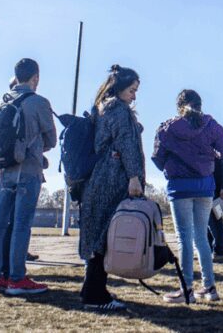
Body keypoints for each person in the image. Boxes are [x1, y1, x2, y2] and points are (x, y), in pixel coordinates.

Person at [152, 89, 223, 303]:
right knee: (201, 238)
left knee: (184, 238)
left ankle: (186, 288)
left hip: (180, 186)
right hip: (204, 186)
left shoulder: (168, 128)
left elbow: (157, 157)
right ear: (200, 104)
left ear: (179, 106)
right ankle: (209, 287)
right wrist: (213, 156)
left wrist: (171, 166)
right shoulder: (210, 126)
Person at [0, 58, 56, 295]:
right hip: (28, 170)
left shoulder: (2, 102)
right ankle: (16, 278)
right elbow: (52, 140)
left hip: (4, 171)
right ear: (36, 78)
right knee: (21, 224)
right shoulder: (39, 102)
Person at [79, 65, 144, 311]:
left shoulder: (103, 106)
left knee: (98, 234)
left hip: (98, 178)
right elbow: (126, 143)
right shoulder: (118, 108)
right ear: (120, 88)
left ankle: (92, 289)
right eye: (132, 89)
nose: (134, 95)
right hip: (112, 178)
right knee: (105, 235)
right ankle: (95, 294)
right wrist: (134, 177)